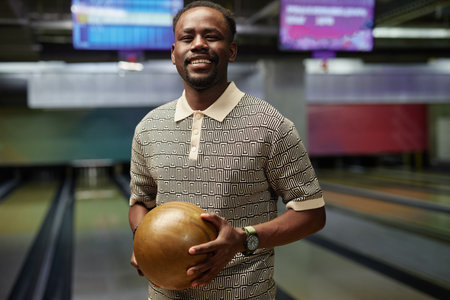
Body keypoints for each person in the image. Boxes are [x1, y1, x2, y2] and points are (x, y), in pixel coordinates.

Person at [128, 1, 326, 299]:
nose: (198, 45)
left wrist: (243, 239)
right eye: (187, 37)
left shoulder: (270, 124)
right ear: (174, 53)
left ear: (231, 50)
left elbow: (311, 213)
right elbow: (139, 202)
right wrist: (144, 241)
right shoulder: (148, 127)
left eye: (211, 36)